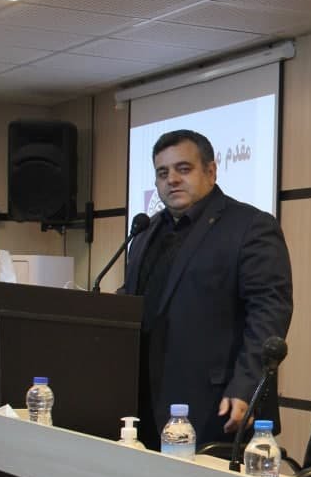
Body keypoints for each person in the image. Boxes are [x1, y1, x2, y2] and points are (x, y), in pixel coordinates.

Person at [122, 129, 293, 451]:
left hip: (217, 404)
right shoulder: (145, 232)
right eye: (163, 173)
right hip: (145, 401)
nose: (172, 179)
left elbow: (268, 311)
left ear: (211, 171)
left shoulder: (250, 226)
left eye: (183, 169)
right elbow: (138, 299)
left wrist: (247, 385)